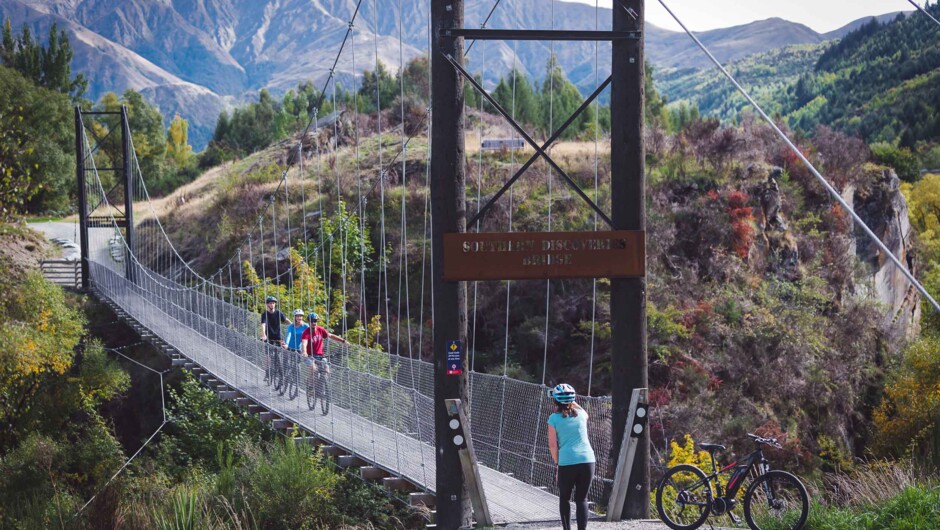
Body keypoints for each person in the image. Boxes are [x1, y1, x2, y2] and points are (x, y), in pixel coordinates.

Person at [547, 383, 595, 530]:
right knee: (582, 499)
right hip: (588, 460)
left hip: (567, 462)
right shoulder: (582, 415)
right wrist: (570, 400)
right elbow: (578, 408)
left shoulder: (553, 419)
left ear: (555, 400)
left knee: (565, 498)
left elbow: (553, 445)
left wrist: (557, 463)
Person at [301, 312, 346, 410]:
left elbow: (330, 335)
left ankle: (322, 385)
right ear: (308, 322)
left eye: (315, 321)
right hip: (309, 356)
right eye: (312, 321)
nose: (314, 323)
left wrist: (343, 341)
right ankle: (311, 387)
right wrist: (304, 352)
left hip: (320, 356)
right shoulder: (306, 332)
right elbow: (304, 343)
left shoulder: (321, 330)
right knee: (313, 368)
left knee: (326, 369)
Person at [259, 296, 289, 383]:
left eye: (273, 303)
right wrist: (264, 335)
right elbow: (263, 324)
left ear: (275, 304)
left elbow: (286, 320)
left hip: (278, 338)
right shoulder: (265, 314)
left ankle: (281, 375)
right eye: (270, 303)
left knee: (278, 357)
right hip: (269, 339)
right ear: (267, 304)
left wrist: (294, 326)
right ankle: (267, 373)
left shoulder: (279, 313)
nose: (272, 304)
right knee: (268, 356)